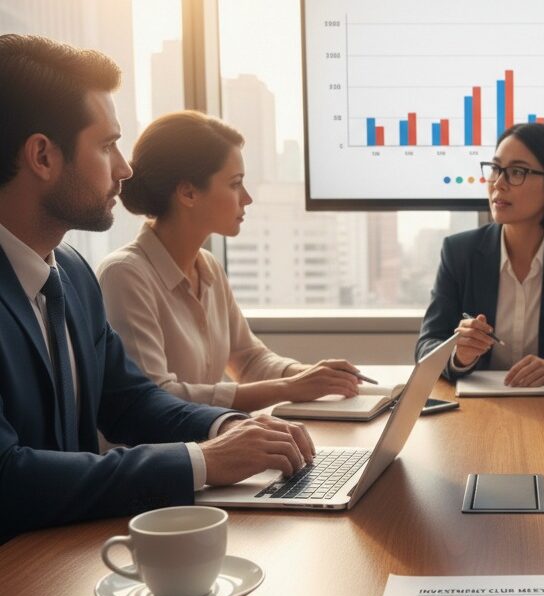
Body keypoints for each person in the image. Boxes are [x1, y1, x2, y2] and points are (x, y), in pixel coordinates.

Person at [0, 35, 313, 542]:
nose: (124, 168)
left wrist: (225, 427)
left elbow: (129, 400)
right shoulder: (111, 273)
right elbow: (8, 478)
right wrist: (201, 461)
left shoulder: (72, 274)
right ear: (42, 156)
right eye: (106, 146)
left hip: (64, 557)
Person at [97, 111, 363, 411]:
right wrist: (289, 387)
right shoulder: (125, 275)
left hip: (209, 445)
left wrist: (313, 376)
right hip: (160, 455)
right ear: (188, 193)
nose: (246, 198)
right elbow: (156, 396)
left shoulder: (207, 267)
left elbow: (249, 360)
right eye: (235, 183)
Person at [416, 122, 544, 386]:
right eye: (495, 169)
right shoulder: (459, 252)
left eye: (517, 172)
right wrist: (460, 355)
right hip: (476, 408)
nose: (498, 184)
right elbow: (427, 345)